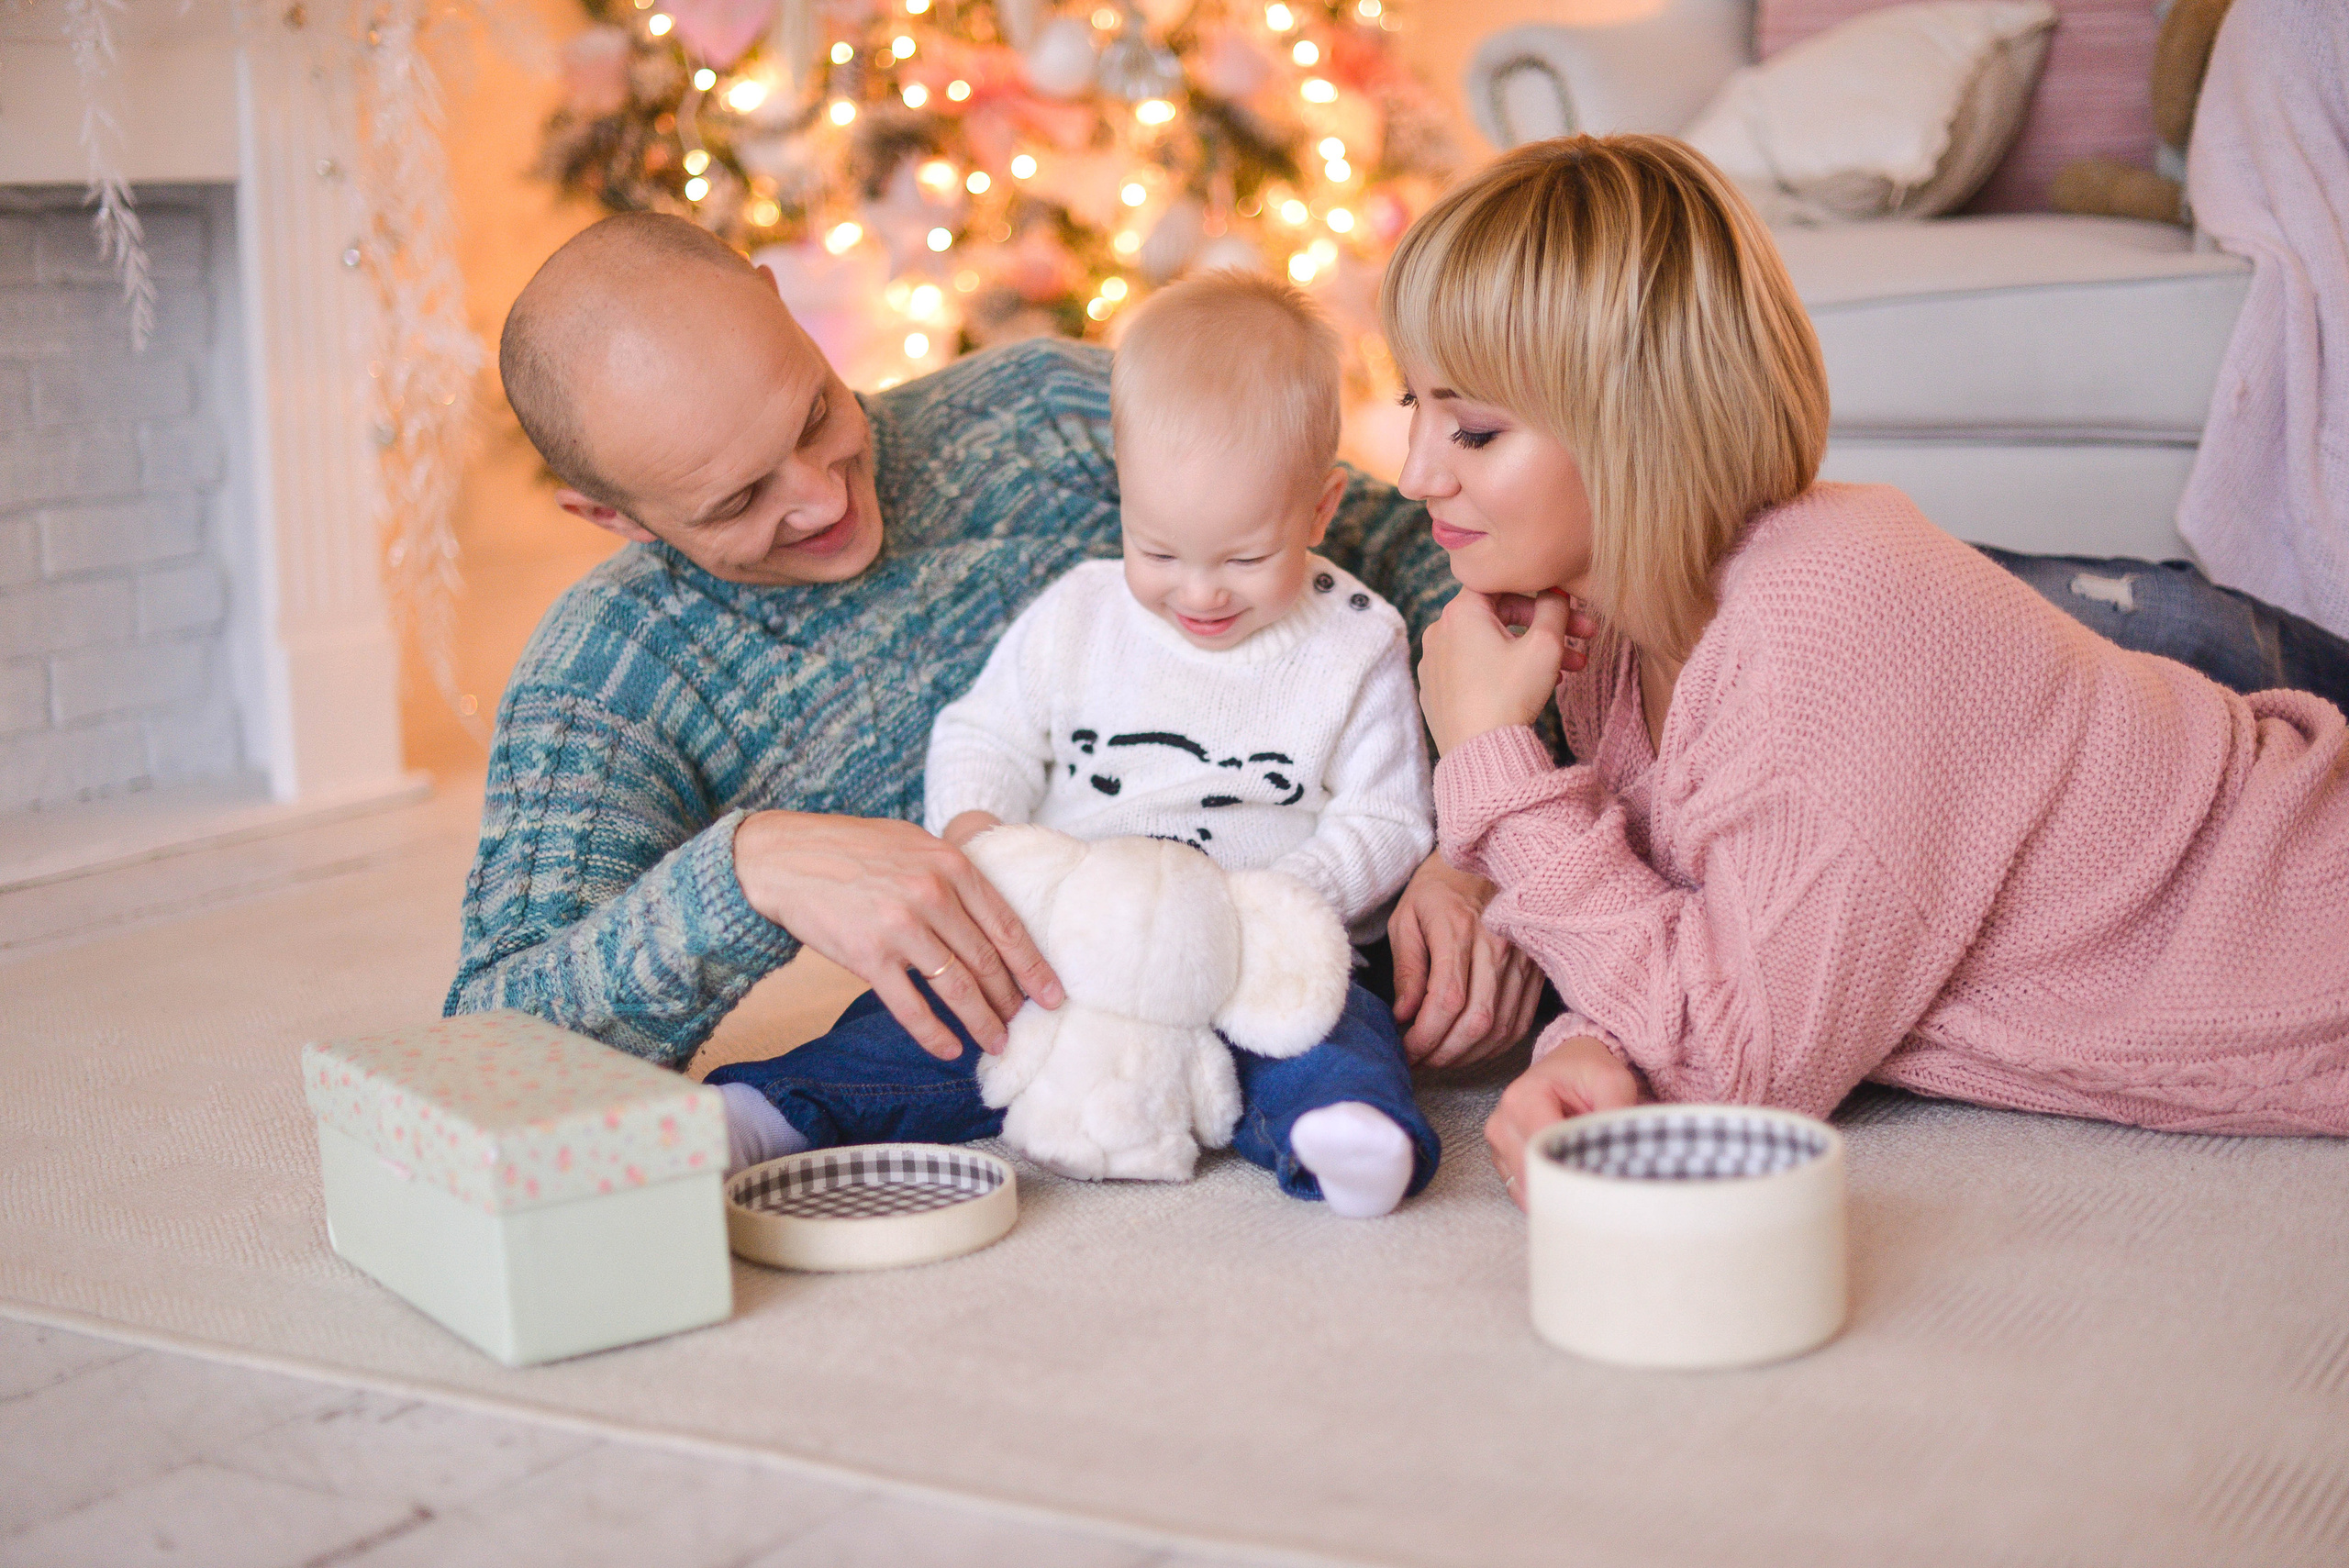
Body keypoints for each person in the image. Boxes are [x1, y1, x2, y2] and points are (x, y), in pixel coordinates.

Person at [1383, 134, 2349, 1207]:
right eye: (1409, 407)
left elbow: (1736, 1063)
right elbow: (1702, 914)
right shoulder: (1604, 634)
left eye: (1470, 428)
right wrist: (1592, 1047)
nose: (1417, 470)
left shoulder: (1828, 610)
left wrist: (1492, 761)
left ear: (1635, 426)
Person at [447, 212, 1545, 1080]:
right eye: (739, 498)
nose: (821, 493)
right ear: (612, 516)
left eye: (815, 413)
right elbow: (488, 1039)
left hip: (1266, 933)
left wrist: (1467, 844)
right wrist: (750, 868)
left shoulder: (1044, 414)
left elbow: (1426, 562)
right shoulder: (611, 671)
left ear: (784, 310)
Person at [704, 272, 1439, 1216]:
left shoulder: (1356, 642)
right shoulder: (1079, 611)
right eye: (1159, 551)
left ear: (1320, 508)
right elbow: (987, 730)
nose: (1199, 594)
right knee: (927, 1022)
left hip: (1249, 942)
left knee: (1332, 1027)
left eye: (1247, 558)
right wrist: (977, 825)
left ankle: (1344, 1133)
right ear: (1125, 497)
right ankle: (781, 1108)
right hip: (1061, 936)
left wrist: (1288, 897)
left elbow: (1387, 815)